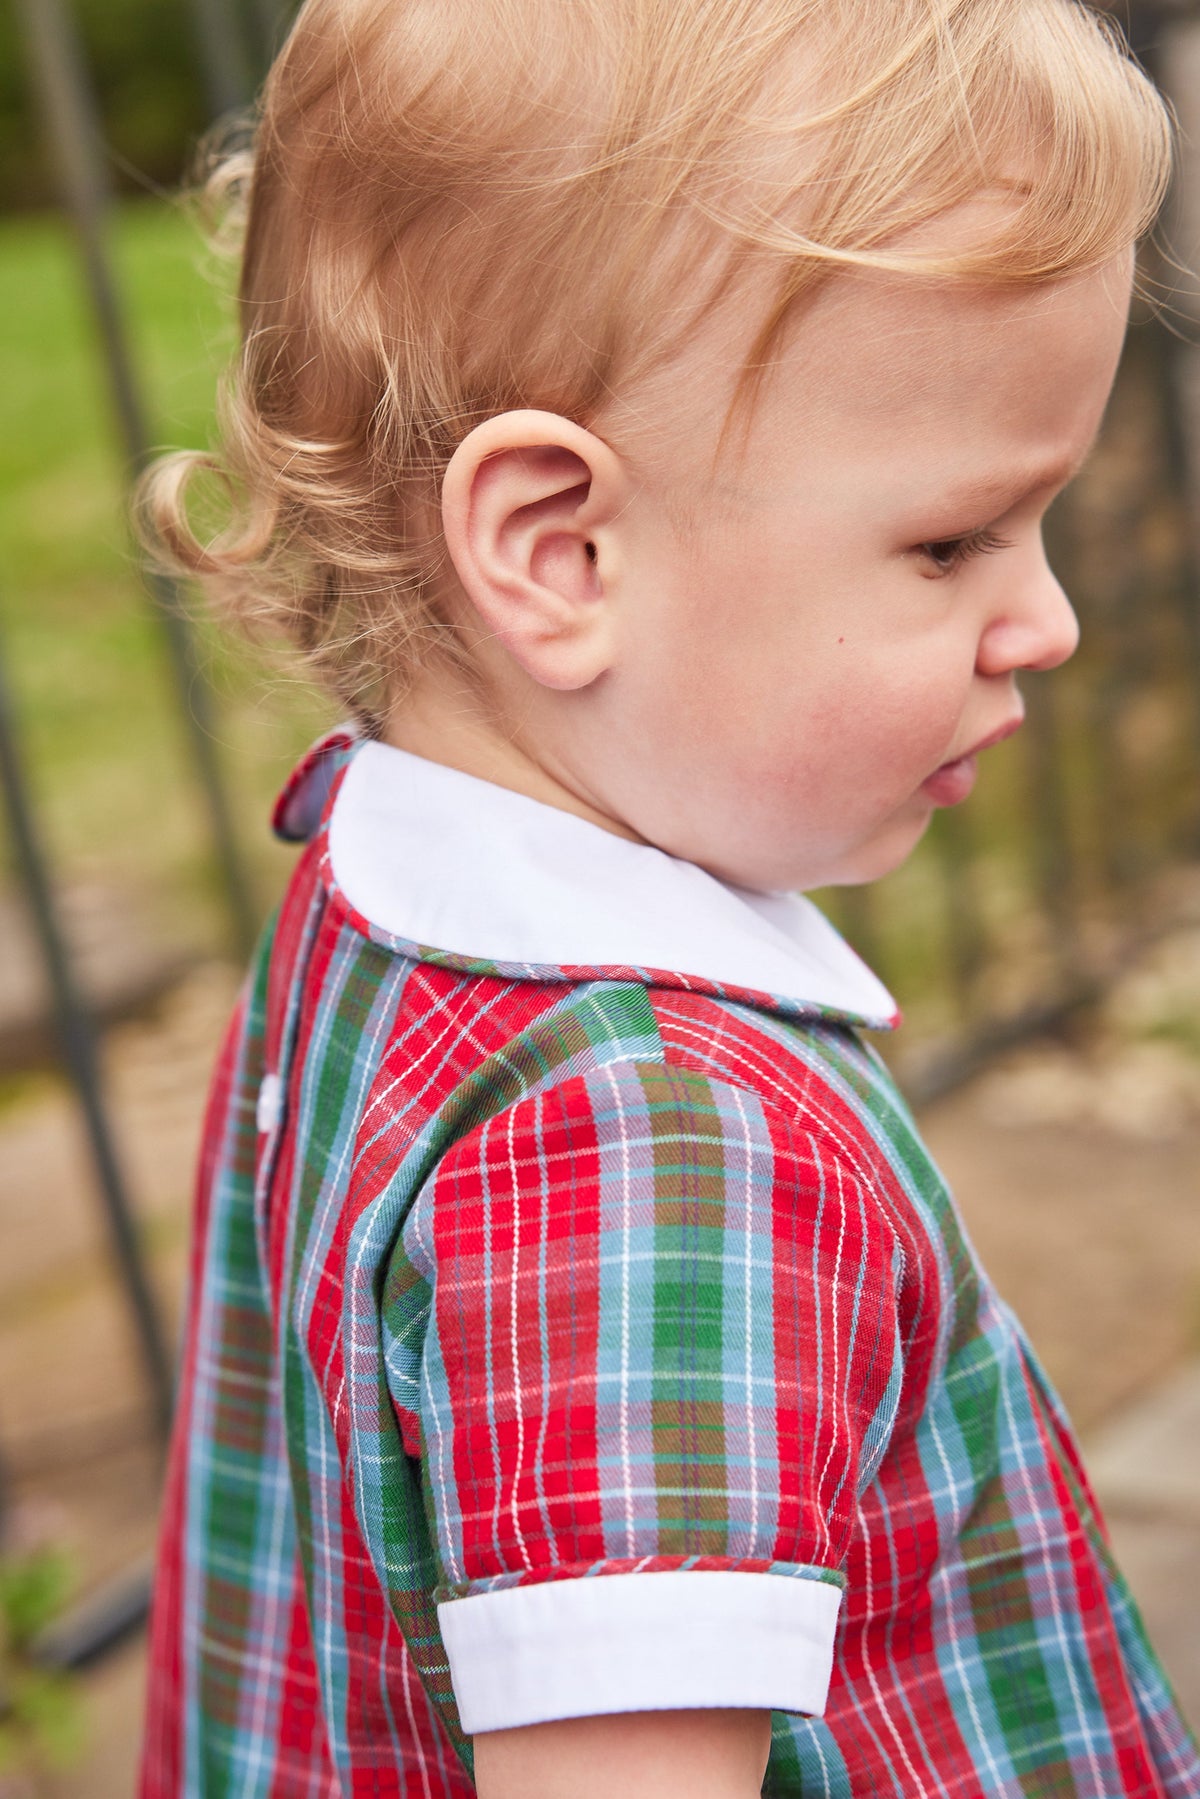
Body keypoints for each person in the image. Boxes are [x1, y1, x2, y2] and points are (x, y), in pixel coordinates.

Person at [136, 0, 1200, 1793]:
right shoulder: (652, 1142)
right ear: (561, 551)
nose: (1049, 622)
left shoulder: (378, 897)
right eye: (951, 542)